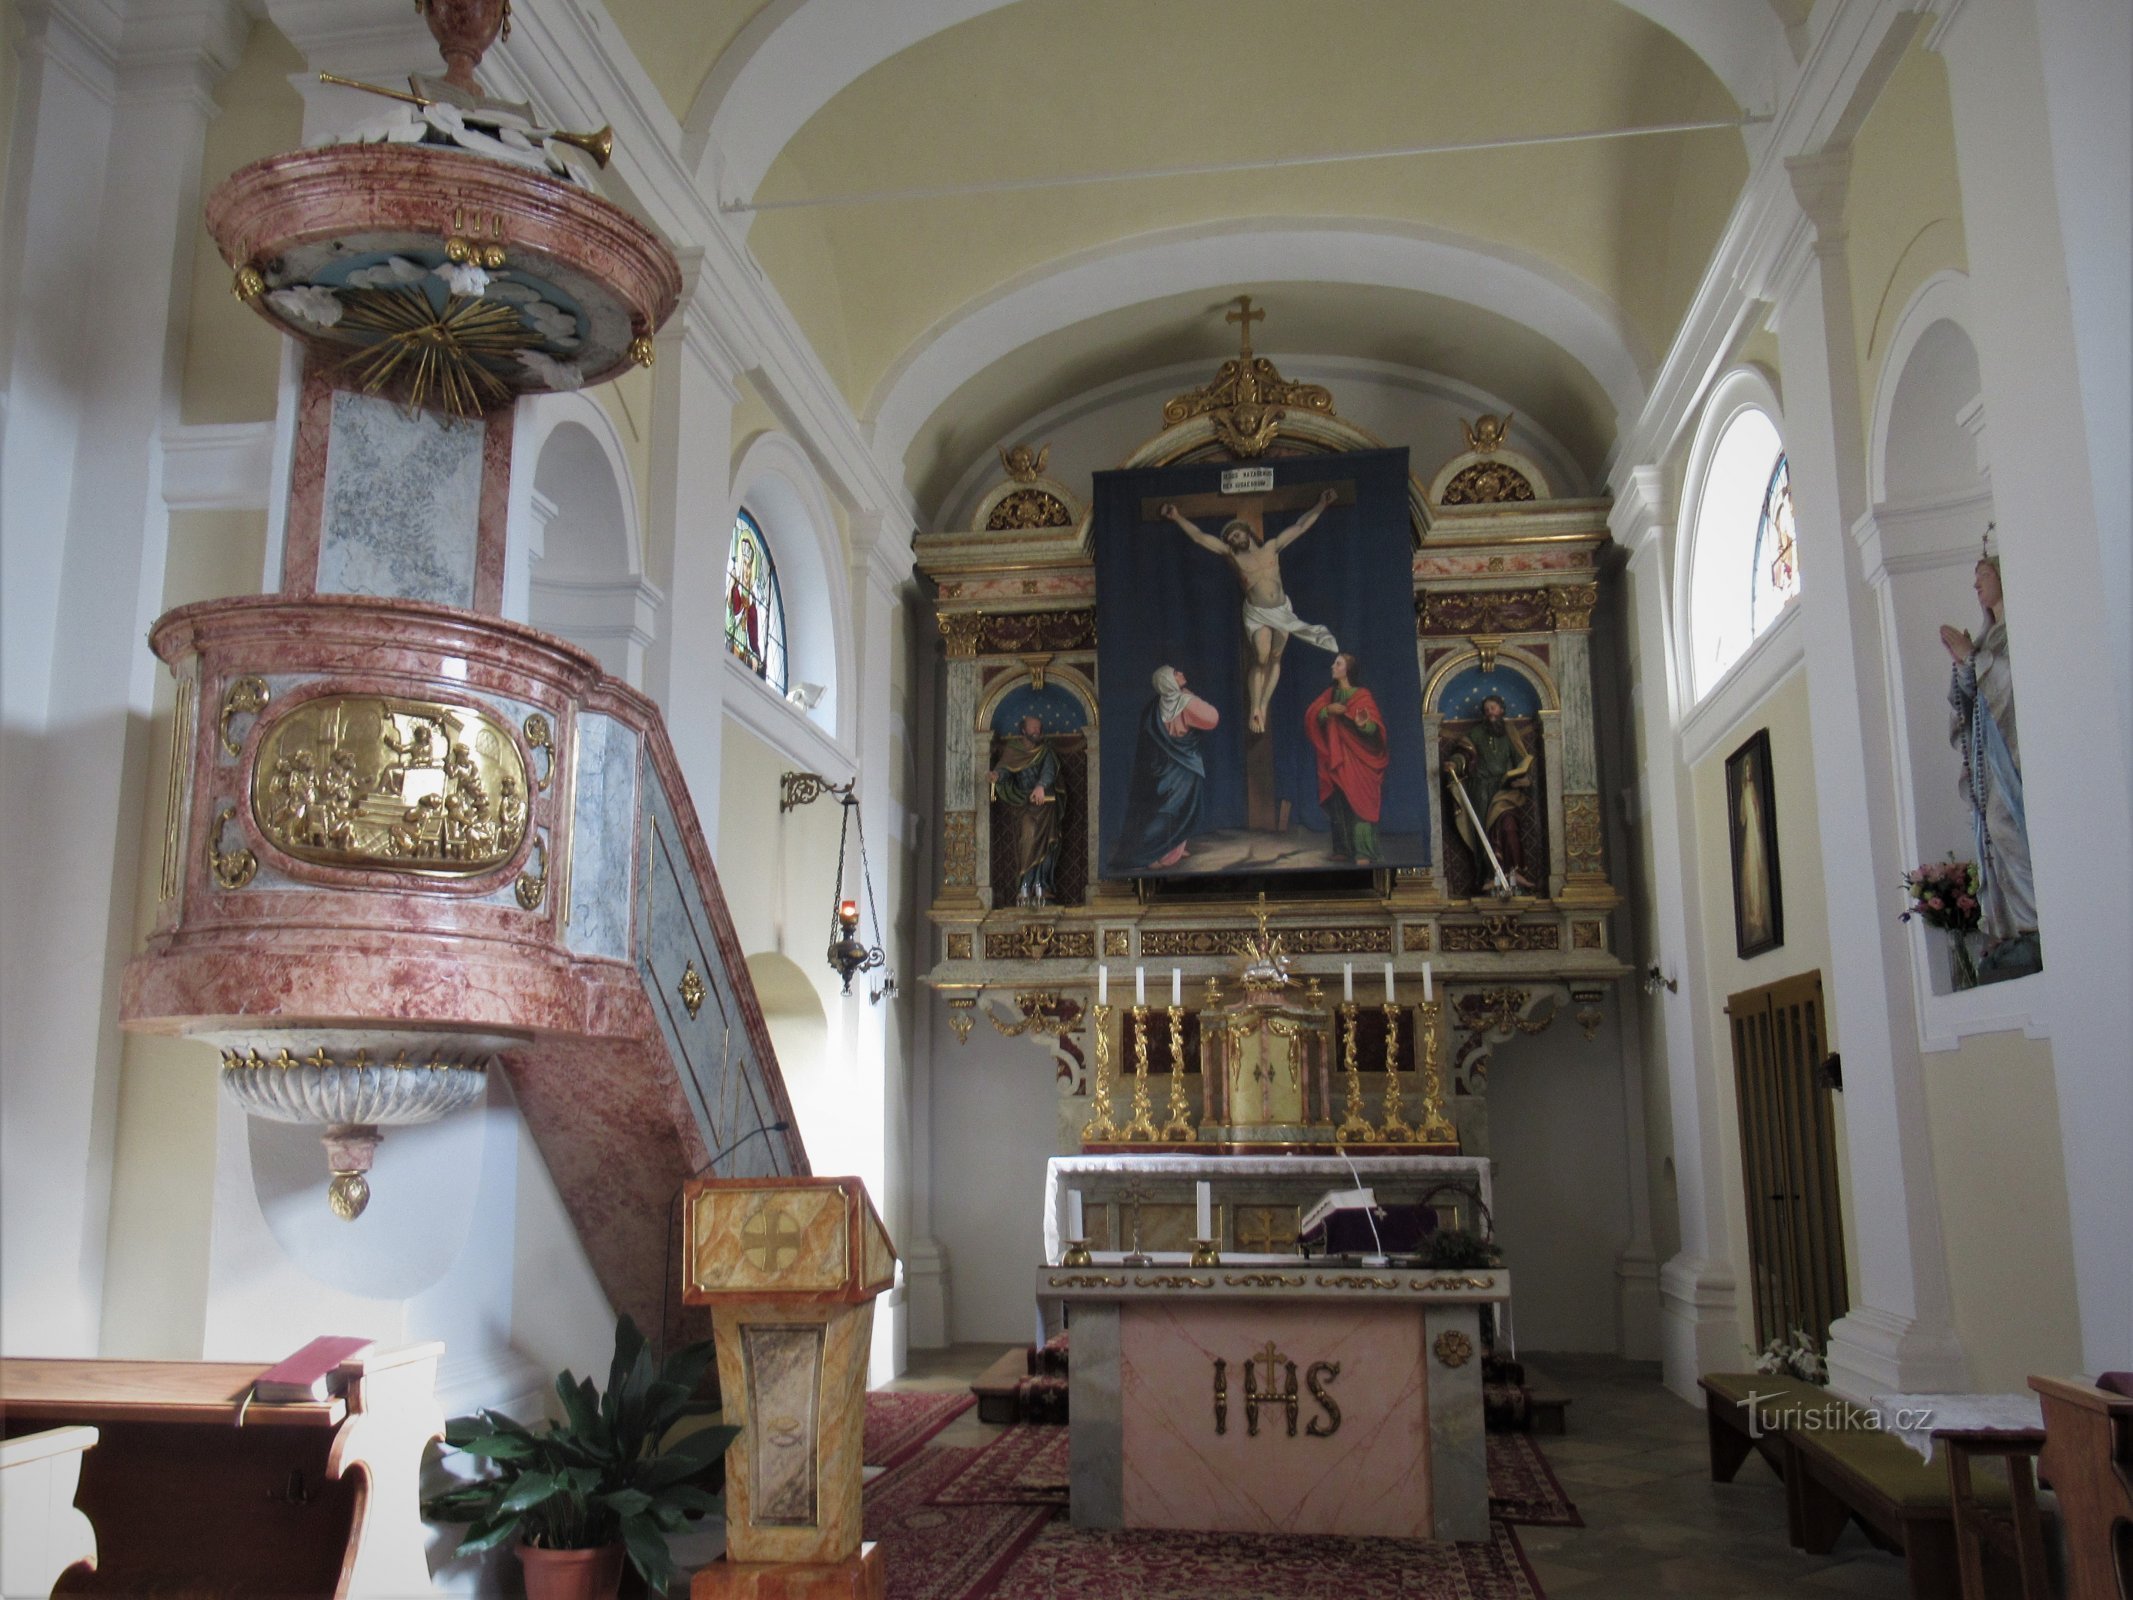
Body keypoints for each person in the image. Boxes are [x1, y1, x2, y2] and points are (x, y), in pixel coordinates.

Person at [1160, 488, 1339, 734]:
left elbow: (1300, 526)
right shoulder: (1232, 557)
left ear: (1247, 533)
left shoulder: (1272, 547)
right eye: (1230, 537)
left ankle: (1262, 706)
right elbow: (1200, 537)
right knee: (1262, 657)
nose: (1234, 538)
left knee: (1276, 656)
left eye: (1237, 533)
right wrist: (1177, 517)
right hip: (1257, 613)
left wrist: (1321, 504)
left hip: (1282, 609)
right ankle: (1255, 705)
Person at [1941, 554, 2039, 971]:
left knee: (2006, 824)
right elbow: (1969, 701)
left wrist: (1973, 660)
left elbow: (2015, 682)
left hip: (2013, 752)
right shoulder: (1986, 638)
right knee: (1991, 837)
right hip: (1988, 754)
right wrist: (1964, 662)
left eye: (1984, 576)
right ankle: (2013, 926)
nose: (1977, 586)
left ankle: (2035, 921)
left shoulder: (2019, 629)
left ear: (2004, 576)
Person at [1111, 666, 1220, 871]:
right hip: (1184, 768)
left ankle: (1171, 851)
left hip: (1161, 768)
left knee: (1172, 809)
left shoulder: (1155, 707)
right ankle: (1149, 852)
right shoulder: (1185, 703)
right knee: (1178, 809)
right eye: (1175, 673)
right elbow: (1212, 718)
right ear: (1168, 681)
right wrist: (1189, 696)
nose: (1180, 673)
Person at [1303, 652, 1390, 864]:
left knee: (1358, 803)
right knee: (1338, 803)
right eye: (1334, 662)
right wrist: (1327, 710)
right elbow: (1312, 716)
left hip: (1358, 760)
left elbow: (1375, 729)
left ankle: (1363, 852)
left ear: (1347, 670)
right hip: (1336, 759)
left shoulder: (1362, 695)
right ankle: (1342, 849)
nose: (1333, 666)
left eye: (1338, 663)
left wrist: (1362, 724)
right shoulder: (1330, 695)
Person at [1444, 694, 1536, 890]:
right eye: (1486, 709)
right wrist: (1455, 763)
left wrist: (1524, 778)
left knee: (1509, 826)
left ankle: (1515, 872)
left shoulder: (1509, 733)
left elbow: (1522, 758)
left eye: (1493, 708)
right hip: (1482, 790)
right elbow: (1464, 755)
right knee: (1485, 832)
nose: (1490, 712)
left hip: (1505, 790)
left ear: (1502, 710)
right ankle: (1491, 874)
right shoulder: (1476, 734)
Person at [989, 712, 1062, 906]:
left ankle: (1042, 884)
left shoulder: (1046, 751)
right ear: (1023, 730)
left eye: (1039, 728)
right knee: (1028, 840)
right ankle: (1025, 884)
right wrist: (997, 775)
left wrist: (1040, 786)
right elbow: (1005, 769)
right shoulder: (1012, 750)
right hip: (1024, 805)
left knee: (1048, 843)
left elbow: (1049, 771)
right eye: (1033, 728)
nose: (1037, 731)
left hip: (1045, 804)